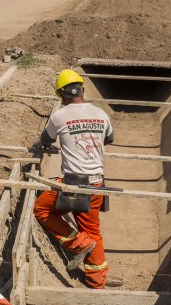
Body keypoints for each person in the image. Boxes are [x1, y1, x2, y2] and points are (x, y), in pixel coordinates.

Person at [32, 69, 121, 289]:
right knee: (93, 230)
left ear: (62, 94)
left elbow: (46, 139)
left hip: (72, 184)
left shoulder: (60, 116)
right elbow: (109, 139)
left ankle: (80, 244)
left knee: (41, 209)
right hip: (97, 184)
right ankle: (97, 281)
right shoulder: (101, 114)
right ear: (82, 89)